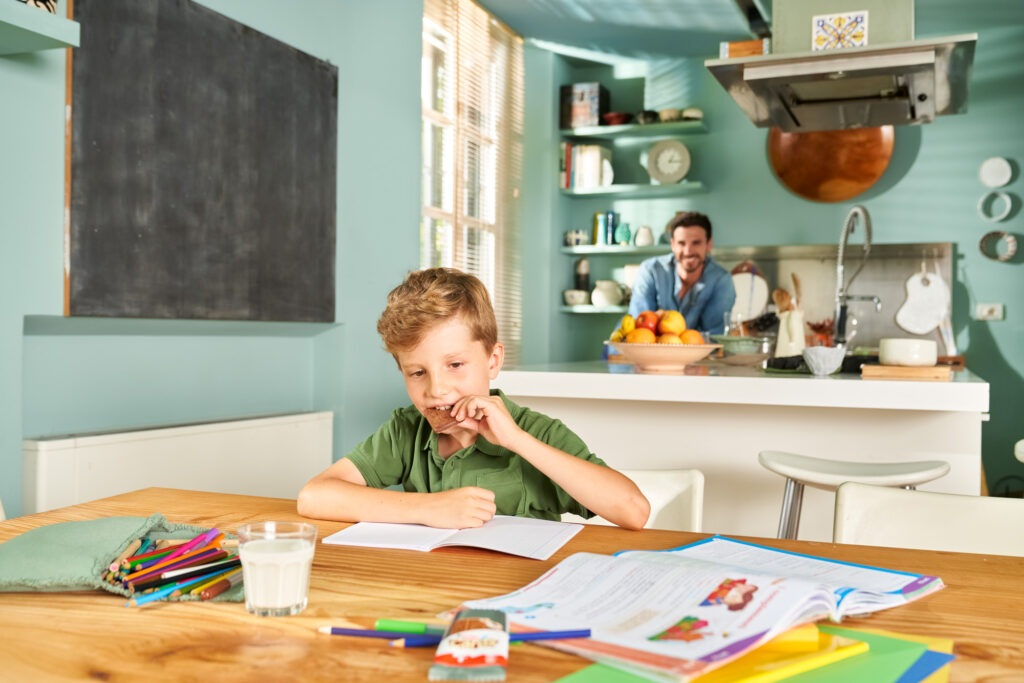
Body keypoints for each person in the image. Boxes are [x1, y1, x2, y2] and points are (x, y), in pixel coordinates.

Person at [298, 267, 650, 530]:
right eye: (417, 372)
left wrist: (517, 441)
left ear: (493, 361)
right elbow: (314, 495)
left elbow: (634, 511)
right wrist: (428, 508)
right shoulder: (407, 430)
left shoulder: (534, 433)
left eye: (455, 365)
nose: (436, 389)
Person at [628, 211, 736, 335]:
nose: (688, 251)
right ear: (672, 244)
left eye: (696, 243)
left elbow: (713, 335)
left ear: (709, 244)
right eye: (681, 243)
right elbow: (639, 329)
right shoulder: (651, 270)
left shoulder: (721, 281)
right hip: (628, 352)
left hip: (691, 354)